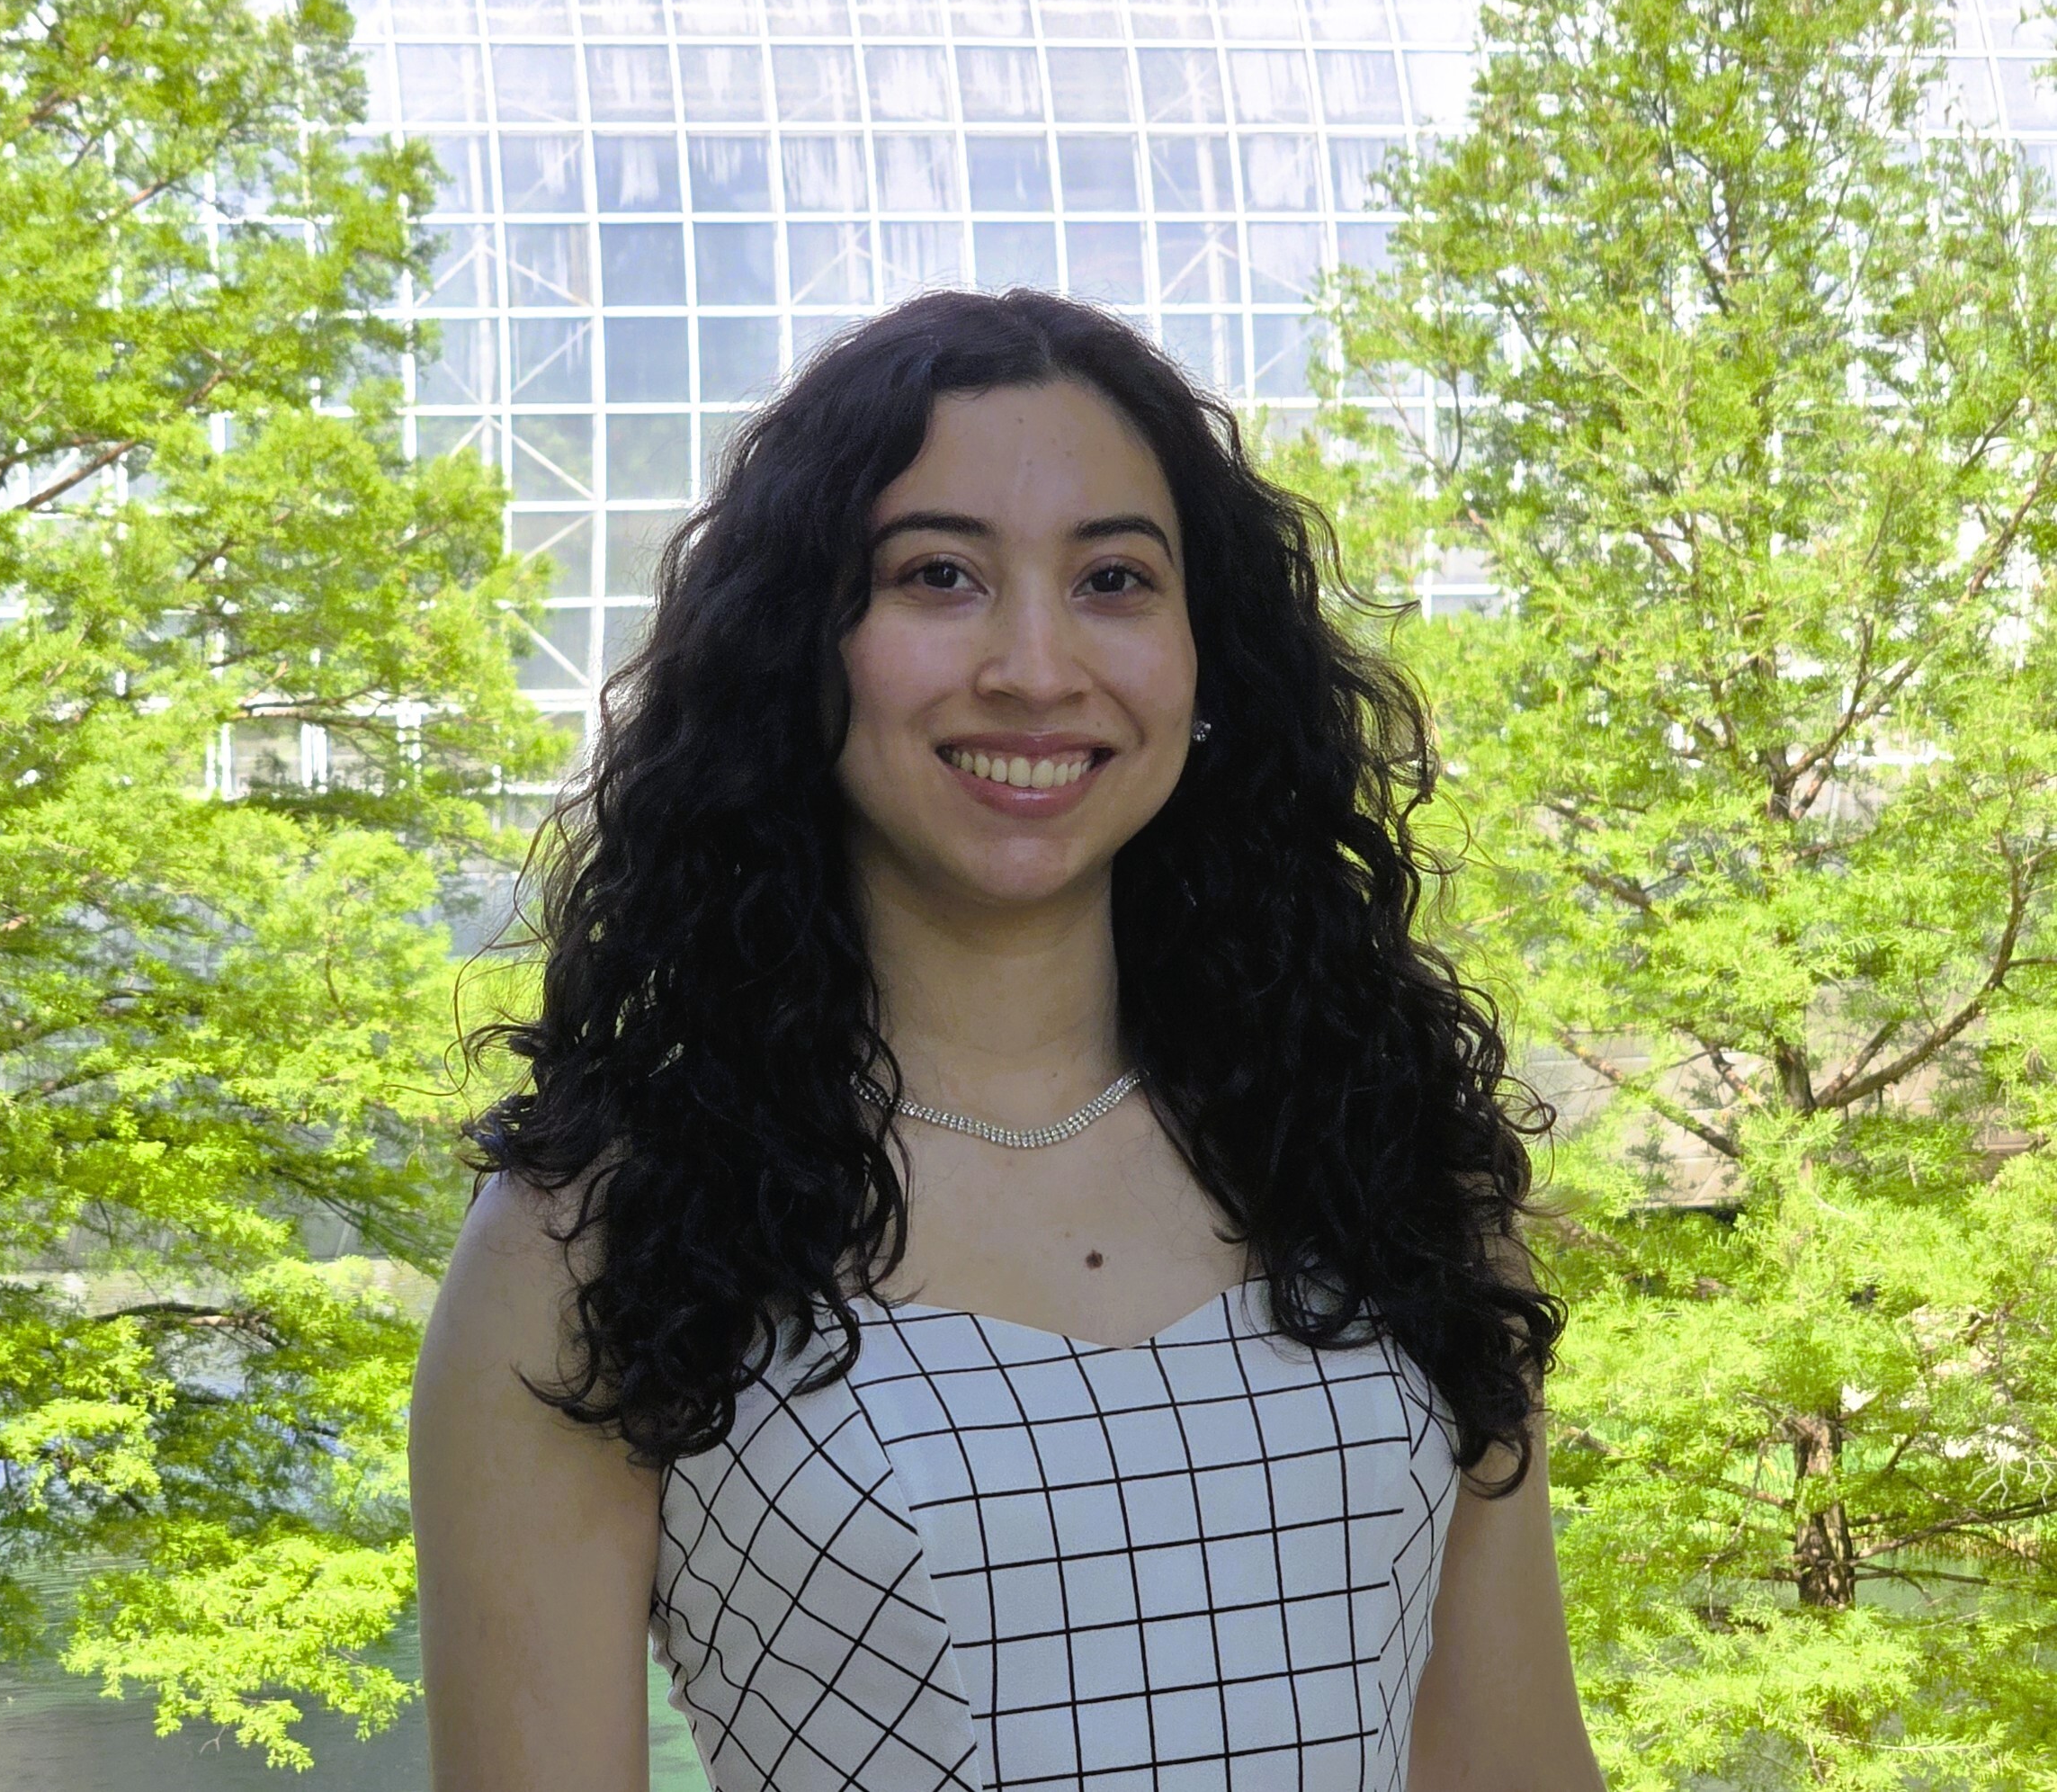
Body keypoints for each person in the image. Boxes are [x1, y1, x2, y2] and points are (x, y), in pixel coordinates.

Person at [410, 288, 1602, 1792]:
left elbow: (1515, 1766)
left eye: (1113, 578)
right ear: (802, 648)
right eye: (938, 576)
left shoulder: (1389, 1165)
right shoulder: (597, 1241)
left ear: (1205, 656)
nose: (1038, 666)